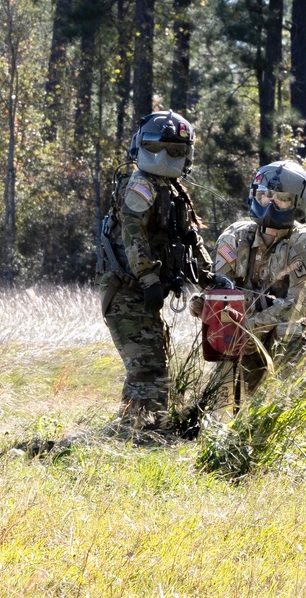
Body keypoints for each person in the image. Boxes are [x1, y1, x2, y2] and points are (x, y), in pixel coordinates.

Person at [191, 160, 306, 415]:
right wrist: (206, 305)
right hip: (244, 331)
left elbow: (300, 308)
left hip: (291, 331)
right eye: (264, 194)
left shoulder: (305, 243)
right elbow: (221, 291)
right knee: (224, 403)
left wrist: (250, 326)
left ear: (298, 203)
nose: (270, 202)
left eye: (281, 197)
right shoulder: (235, 237)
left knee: (288, 394)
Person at [98, 110, 213, 429]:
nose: (163, 157)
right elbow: (132, 231)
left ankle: (134, 429)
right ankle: (140, 433)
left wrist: (212, 278)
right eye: (156, 148)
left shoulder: (172, 191)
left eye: (174, 151)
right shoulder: (140, 185)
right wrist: (149, 278)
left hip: (139, 293)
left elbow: (191, 239)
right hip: (126, 292)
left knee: (150, 365)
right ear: (140, 147)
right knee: (148, 368)